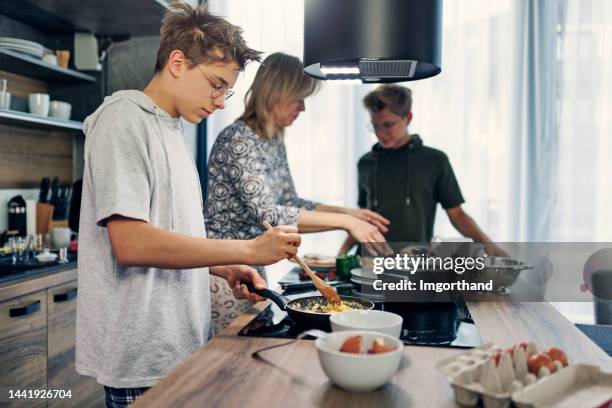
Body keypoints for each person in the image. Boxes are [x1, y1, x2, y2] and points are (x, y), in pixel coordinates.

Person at [76, 5, 302, 407]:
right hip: (143, 354)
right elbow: (132, 244)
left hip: (179, 347)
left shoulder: (171, 129)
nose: (219, 101)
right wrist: (249, 249)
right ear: (178, 63)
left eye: (226, 91)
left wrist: (221, 266)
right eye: (216, 84)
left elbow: (168, 232)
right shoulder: (122, 120)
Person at [205, 52, 390, 330]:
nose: (302, 108)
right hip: (223, 273)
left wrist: (350, 213)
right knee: (230, 360)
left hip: (250, 268)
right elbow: (267, 213)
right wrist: (345, 222)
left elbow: (289, 202)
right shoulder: (238, 139)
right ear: (275, 93)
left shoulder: (272, 138)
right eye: (298, 98)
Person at [339, 84, 504, 256]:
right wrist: (341, 253)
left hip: (415, 261)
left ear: (408, 118)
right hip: (368, 261)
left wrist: (487, 244)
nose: (381, 133)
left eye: (388, 125)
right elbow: (363, 217)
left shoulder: (435, 160)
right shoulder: (366, 162)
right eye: (375, 125)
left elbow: (457, 214)